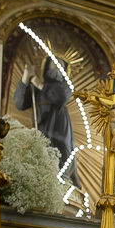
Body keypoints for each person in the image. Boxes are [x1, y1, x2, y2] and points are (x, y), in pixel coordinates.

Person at [14, 57, 81, 187]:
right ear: (47, 67)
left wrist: (39, 85)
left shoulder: (64, 86)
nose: (57, 68)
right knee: (42, 153)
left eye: (60, 66)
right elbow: (20, 103)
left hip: (60, 128)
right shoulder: (37, 91)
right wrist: (26, 77)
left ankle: (63, 182)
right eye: (54, 65)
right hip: (42, 127)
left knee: (63, 154)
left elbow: (61, 98)